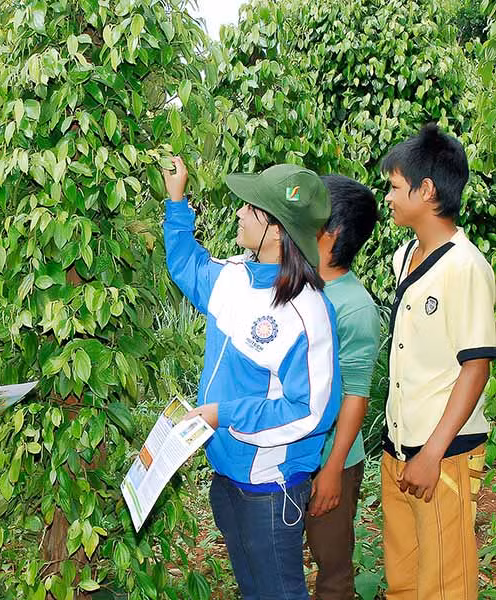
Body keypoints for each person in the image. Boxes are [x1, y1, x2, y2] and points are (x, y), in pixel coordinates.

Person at [163, 157, 341, 600]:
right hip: (227, 477)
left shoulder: (308, 313)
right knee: (252, 590)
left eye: (250, 208)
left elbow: (312, 411)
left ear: (276, 230)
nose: (239, 213)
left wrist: (224, 413)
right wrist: (176, 199)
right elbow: (188, 267)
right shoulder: (235, 279)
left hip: (270, 488)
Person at [380, 124, 495, 599]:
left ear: (426, 191)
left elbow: (476, 367)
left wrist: (431, 454)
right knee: (404, 579)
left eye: (393, 185)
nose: (386, 196)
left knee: (445, 585)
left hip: (441, 456)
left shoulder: (465, 267)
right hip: (398, 449)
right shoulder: (405, 255)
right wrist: (405, 449)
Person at [304, 175, 381, 599]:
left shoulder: (354, 307)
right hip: (288, 454)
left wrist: (333, 470)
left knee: (332, 569)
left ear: (330, 233)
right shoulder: (295, 283)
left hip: (334, 458)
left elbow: (356, 394)